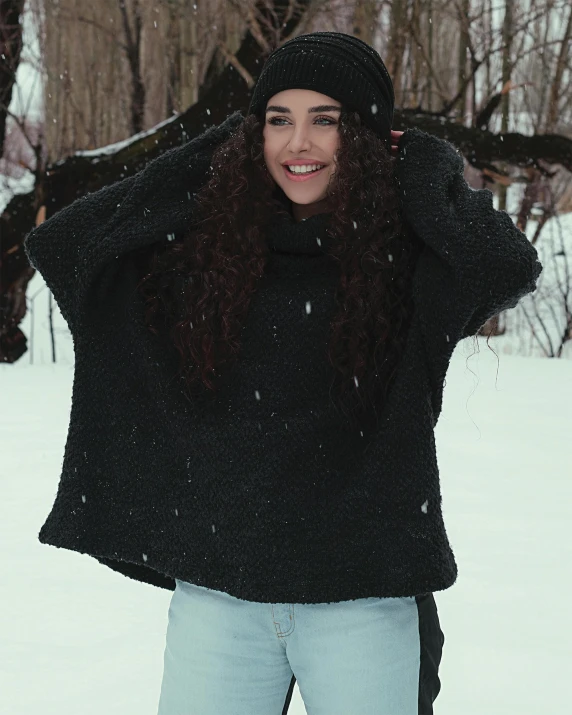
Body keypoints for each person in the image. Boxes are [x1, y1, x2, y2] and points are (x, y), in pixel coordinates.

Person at [24, 31, 542, 715]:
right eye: (277, 120)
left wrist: (416, 155)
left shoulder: (408, 260)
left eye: (325, 120)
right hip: (222, 600)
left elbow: (504, 263)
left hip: (364, 598)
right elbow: (69, 243)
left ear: (364, 136)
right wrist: (224, 146)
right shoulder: (208, 255)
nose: (298, 142)